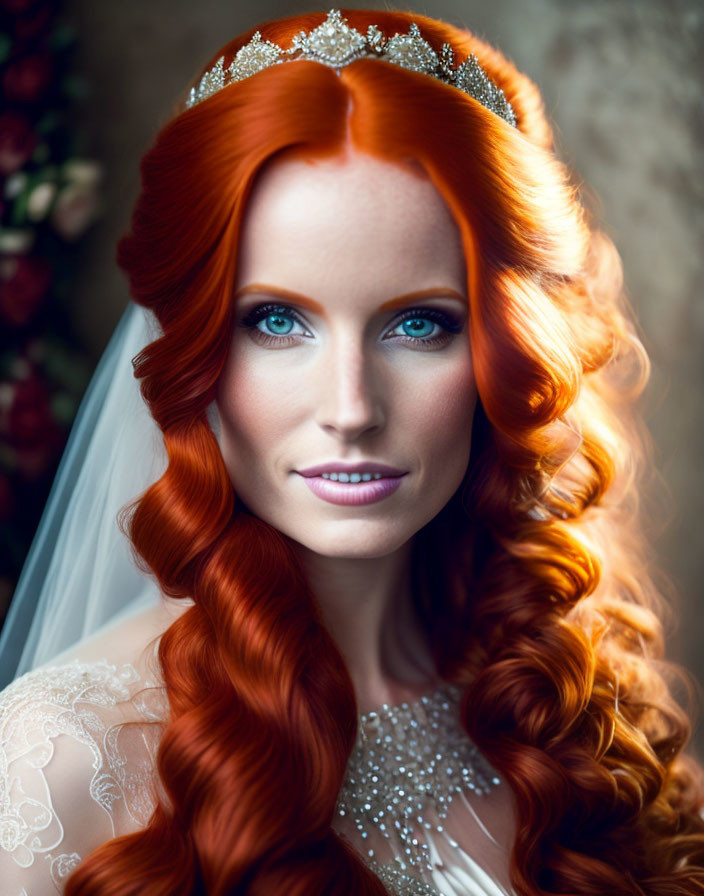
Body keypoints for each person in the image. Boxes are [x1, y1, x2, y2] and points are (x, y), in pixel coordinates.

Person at [0, 7, 703, 895]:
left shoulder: (555, 695)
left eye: (419, 324)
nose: (352, 409)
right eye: (276, 321)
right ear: (193, 350)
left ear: (505, 347)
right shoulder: (59, 762)